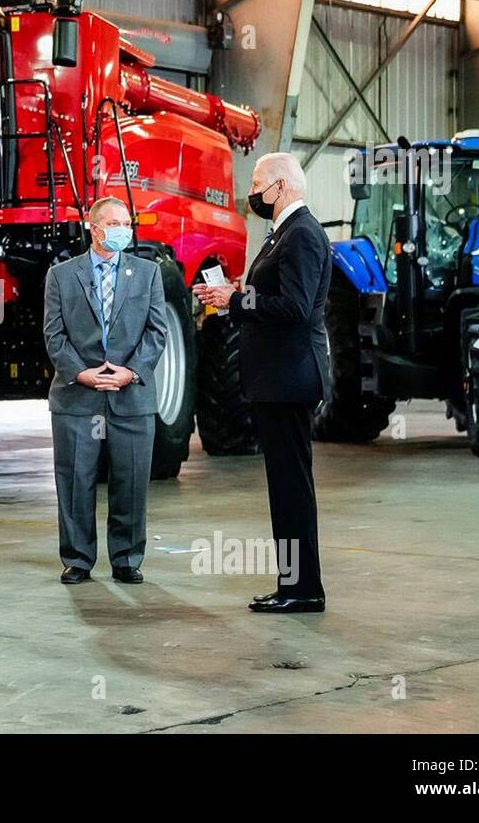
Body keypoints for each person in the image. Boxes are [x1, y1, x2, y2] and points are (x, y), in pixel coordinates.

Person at [193, 152, 330, 613]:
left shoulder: (302, 235)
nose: (252, 193)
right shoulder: (284, 236)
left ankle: (304, 588)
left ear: (282, 186)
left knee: (292, 488)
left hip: (290, 379)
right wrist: (233, 294)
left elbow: (293, 307)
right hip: (276, 379)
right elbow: (273, 297)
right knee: (285, 489)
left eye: (257, 183)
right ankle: (294, 585)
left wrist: (236, 299)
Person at [42, 196, 168, 585]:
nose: (121, 230)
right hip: (78, 396)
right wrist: (80, 374)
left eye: (125, 223)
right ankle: (77, 560)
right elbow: (54, 333)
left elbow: (157, 330)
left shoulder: (148, 274)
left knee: (131, 481)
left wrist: (131, 371)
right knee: (75, 480)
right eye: (113, 223)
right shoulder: (62, 275)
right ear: (93, 228)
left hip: (130, 396)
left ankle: (127, 559)